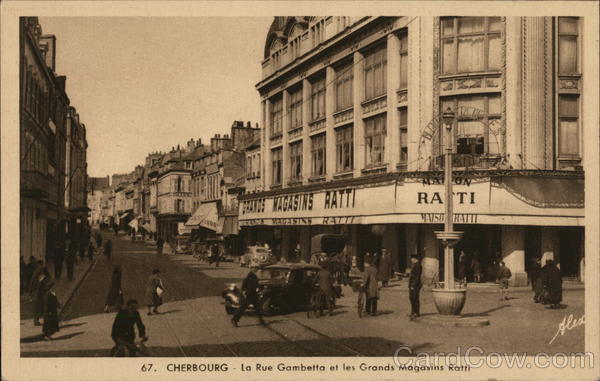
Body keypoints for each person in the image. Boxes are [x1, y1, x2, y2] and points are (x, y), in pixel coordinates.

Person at [408, 254, 423, 320]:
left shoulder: (418, 266)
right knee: (412, 298)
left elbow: (417, 277)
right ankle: (413, 312)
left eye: (412, 258)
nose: (411, 260)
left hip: (415, 285)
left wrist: (413, 285)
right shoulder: (415, 265)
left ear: (415, 259)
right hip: (412, 284)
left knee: (414, 298)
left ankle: (416, 312)